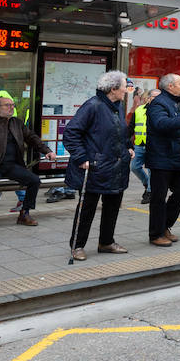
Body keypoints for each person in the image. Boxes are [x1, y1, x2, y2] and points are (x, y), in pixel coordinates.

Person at [62, 70, 133, 260]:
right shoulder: (92, 106)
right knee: (87, 209)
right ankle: (77, 245)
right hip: (94, 167)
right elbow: (71, 133)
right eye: (124, 87)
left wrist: (129, 147)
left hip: (115, 166)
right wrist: (81, 157)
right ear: (113, 89)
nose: (126, 91)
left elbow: (120, 132)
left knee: (112, 207)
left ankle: (106, 242)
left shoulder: (117, 106)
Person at [0, 96, 54, 229]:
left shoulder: (16, 123)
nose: (11, 108)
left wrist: (47, 150)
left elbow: (32, 138)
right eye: (7, 105)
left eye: (12, 105)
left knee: (34, 180)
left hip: (12, 165)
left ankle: (24, 213)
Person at [144, 74, 180, 247]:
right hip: (161, 157)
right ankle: (156, 234)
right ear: (170, 86)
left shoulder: (176, 102)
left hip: (176, 157)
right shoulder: (159, 103)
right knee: (158, 197)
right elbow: (161, 123)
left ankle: (165, 226)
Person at [130, 88, 158, 204]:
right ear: (148, 98)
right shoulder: (139, 110)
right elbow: (131, 126)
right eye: (153, 97)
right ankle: (147, 183)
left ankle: (150, 192)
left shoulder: (161, 111)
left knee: (151, 169)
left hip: (154, 145)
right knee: (134, 167)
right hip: (140, 144)